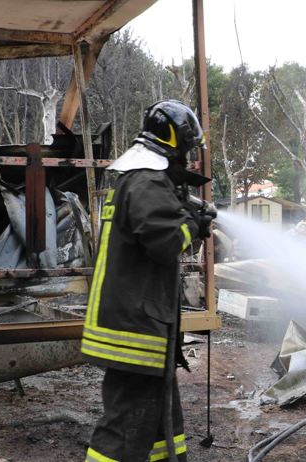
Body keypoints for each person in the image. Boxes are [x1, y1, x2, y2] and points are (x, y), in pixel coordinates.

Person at [83, 100, 213, 462]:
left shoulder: (137, 178)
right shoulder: (148, 180)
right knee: (125, 427)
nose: (187, 158)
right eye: (186, 149)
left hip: (137, 320)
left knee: (158, 423)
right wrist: (193, 225)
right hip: (134, 327)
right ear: (175, 142)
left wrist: (185, 213)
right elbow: (165, 242)